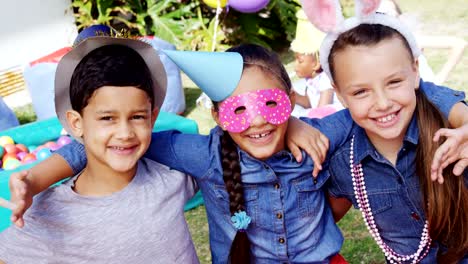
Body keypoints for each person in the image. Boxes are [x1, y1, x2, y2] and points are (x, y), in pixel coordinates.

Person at [7, 44, 348, 263]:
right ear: (217, 116)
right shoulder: (198, 156)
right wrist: (36, 178)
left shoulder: (320, 135)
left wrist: (295, 122)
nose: (256, 120)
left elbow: (365, 120)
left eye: (272, 105)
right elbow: (103, 144)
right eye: (239, 109)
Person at [0, 26, 199, 263]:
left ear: (152, 117)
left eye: (137, 117)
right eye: (107, 118)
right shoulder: (49, 214)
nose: (125, 133)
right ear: (76, 123)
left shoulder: (174, 176)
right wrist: (33, 181)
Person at [294, 0, 468, 262]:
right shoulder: (346, 161)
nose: (383, 103)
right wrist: (292, 127)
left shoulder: (451, 133)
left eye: (394, 82)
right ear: (338, 93)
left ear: (415, 71)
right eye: (361, 91)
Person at [290, 9, 343, 119]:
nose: (295, 66)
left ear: (316, 64)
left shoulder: (325, 80)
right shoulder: (310, 80)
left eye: (300, 61)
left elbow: (322, 110)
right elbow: (310, 102)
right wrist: (295, 96)